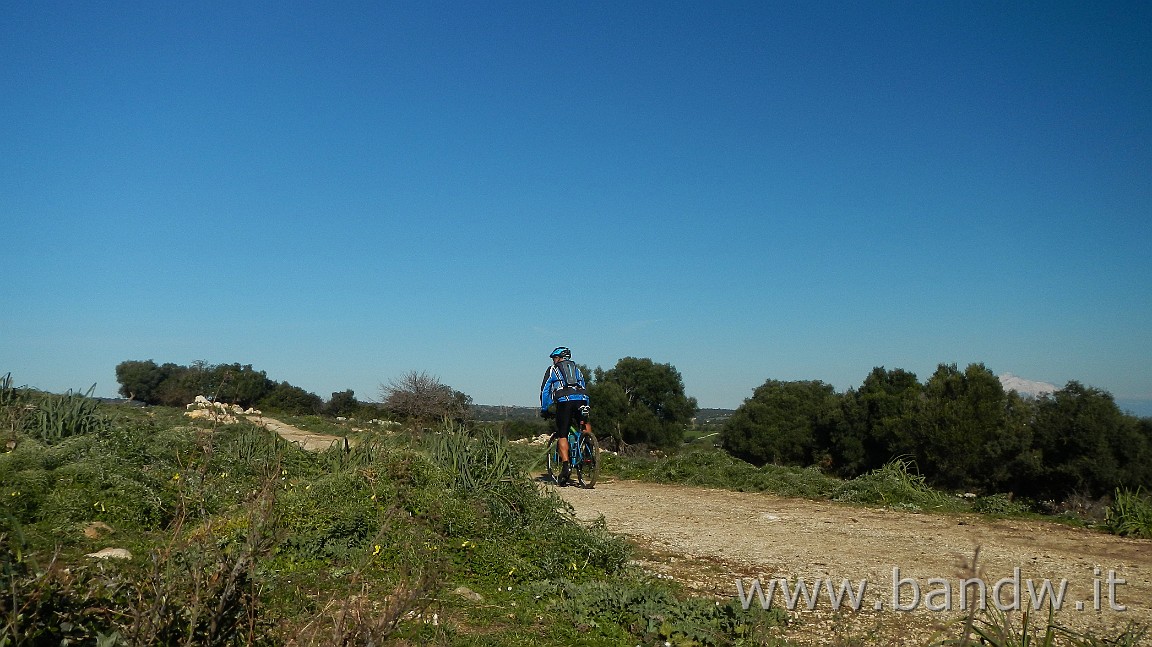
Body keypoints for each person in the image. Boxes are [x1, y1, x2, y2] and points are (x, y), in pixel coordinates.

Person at [540, 346, 589, 485]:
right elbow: (584, 386)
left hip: (564, 401)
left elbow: (545, 390)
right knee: (584, 423)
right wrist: (586, 403)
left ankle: (566, 466)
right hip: (582, 399)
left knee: (563, 434)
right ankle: (589, 446)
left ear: (559, 358)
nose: (553, 361)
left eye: (554, 358)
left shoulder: (553, 370)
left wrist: (545, 408)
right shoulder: (577, 369)